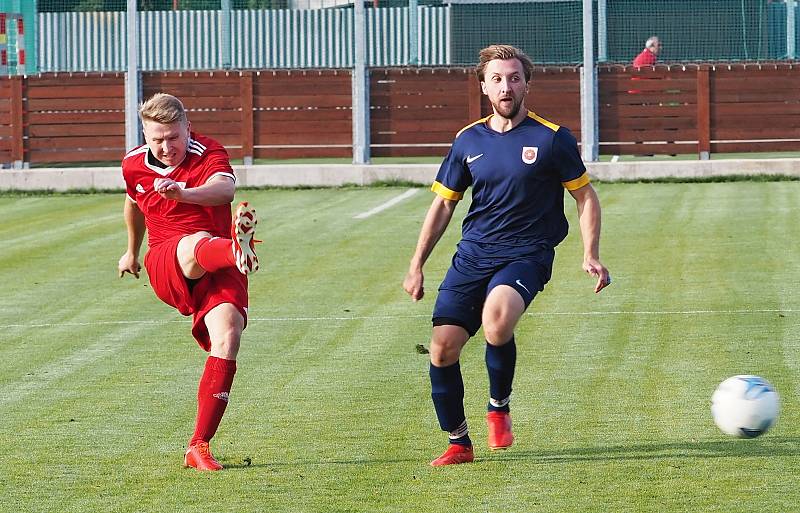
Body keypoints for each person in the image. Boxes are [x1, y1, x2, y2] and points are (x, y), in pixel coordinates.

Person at [403, 45, 611, 467]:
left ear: (526, 84)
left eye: (514, 77)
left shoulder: (552, 138)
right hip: (473, 254)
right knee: (442, 349)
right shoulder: (468, 140)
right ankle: (459, 443)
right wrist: (416, 264)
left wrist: (590, 252)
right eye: (497, 79)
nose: (506, 86)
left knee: (497, 319)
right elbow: (444, 204)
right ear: (483, 86)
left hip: (527, 253)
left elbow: (585, 196)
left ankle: (498, 405)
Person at [118, 93, 260, 471]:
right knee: (194, 241)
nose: (166, 147)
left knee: (228, 335)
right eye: (157, 139)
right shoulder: (133, 164)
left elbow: (225, 190)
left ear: (187, 128)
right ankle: (237, 251)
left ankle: (198, 446)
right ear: (145, 135)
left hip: (220, 262)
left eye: (173, 137)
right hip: (169, 257)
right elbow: (133, 202)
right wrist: (130, 251)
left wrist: (185, 193)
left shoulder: (209, 151)